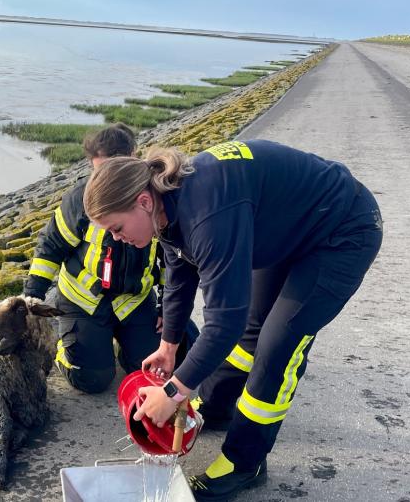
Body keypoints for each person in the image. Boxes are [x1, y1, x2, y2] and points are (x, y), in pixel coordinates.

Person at [83, 139, 383, 501]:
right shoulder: (166, 206)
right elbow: (179, 274)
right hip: (290, 231)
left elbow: (225, 321)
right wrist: (168, 347)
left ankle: (245, 463)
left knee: (277, 348)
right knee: (252, 333)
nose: (118, 239)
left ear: (143, 202)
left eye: (116, 228)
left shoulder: (207, 214)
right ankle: (219, 405)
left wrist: (174, 390)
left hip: (341, 230)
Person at [24, 124, 198, 394]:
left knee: (150, 368)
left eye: (113, 170)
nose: (105, 182)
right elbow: (50, 248)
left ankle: (120, 343)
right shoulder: (80, 200)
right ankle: (67, 348)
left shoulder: (153, 200)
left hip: (133, 301)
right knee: (92, 380)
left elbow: (171, 262)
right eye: (99, 172)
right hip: (85, 302)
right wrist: (31, 299)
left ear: (133, 155)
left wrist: (167, 308)